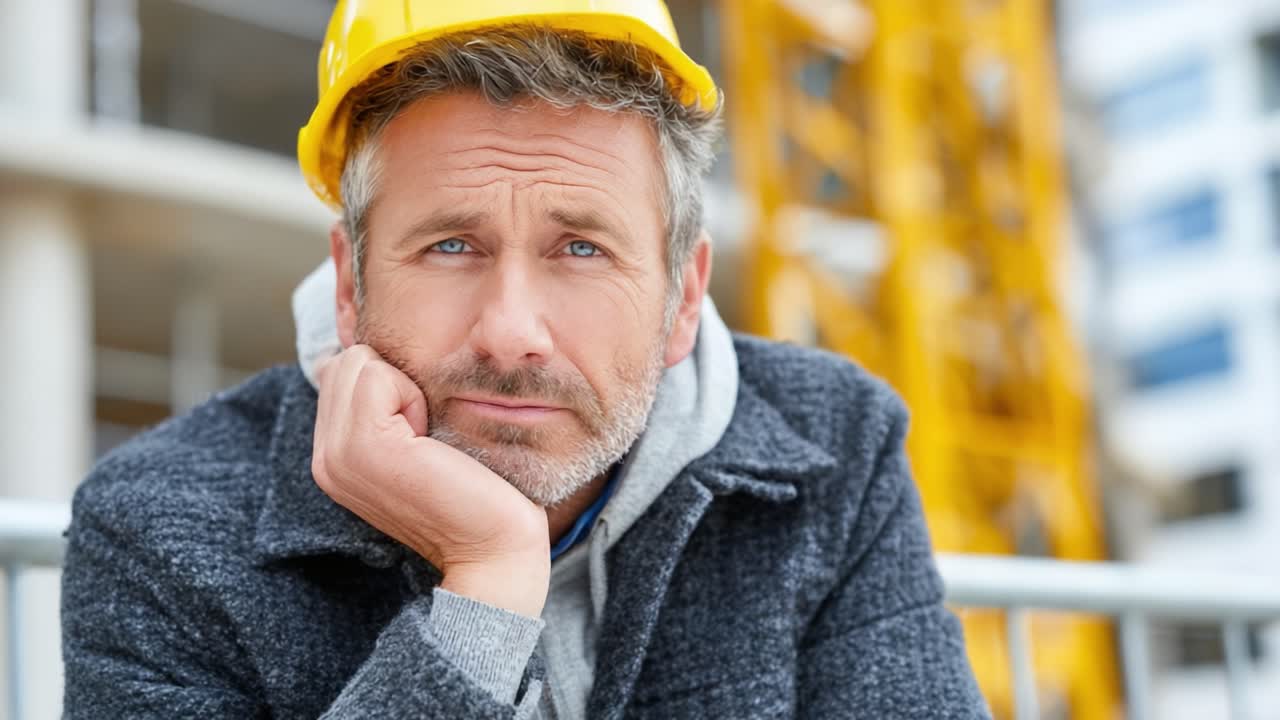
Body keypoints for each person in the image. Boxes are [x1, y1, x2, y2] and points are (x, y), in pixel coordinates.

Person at [61, 1, 990, 718]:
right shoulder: (157, 528)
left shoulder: (838, 445)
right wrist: (485, 597)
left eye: (581, 249)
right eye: (451, 247)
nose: (511, 332)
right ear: (350, 284)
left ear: (684, 294)